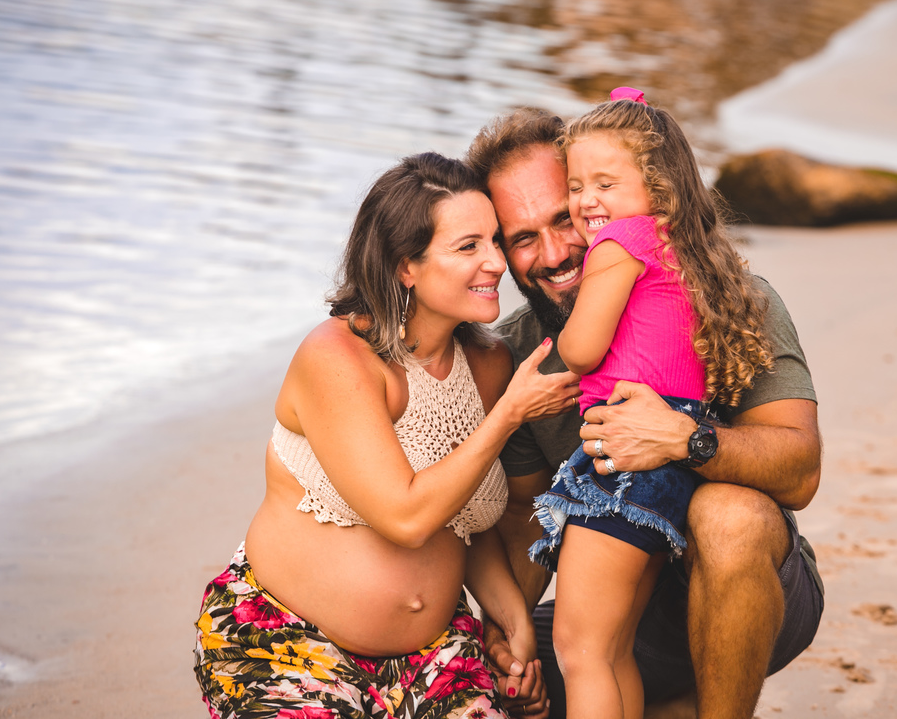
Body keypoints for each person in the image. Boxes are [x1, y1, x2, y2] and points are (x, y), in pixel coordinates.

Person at [466, 105, 825, 719]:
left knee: (728, 516)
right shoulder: (519, 352)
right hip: (626, 603)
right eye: (522, 238)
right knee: (505, 679)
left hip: (748, 588)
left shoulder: (729, 299)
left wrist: (687, 439)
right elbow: (526, 517)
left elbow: (800, 471)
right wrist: (504, 634)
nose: (554, 254)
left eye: (565, 218)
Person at [193, 152, 580, 719]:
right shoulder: (338, 357)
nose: (497, 262)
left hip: (434, 656)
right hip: (287, 644)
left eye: (496, 241)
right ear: (406, 267)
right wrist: (507, 417)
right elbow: (408, 517)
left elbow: (463, 522)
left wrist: (512, 623)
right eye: (468, 246)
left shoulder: (491, 364)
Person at [523, 88, 779, 719]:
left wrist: (562, 341)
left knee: (582, 649)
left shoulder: (619, 244)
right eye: (576, 186)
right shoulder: (686, 253)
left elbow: (583, 350)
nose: (586, 201)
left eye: (605, 183)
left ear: (658, 188)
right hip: (665, 461)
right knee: (613, 650)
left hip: (624, 458)